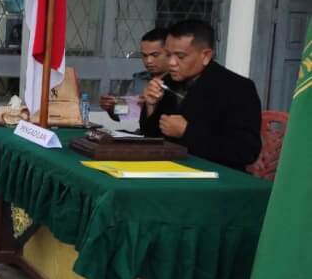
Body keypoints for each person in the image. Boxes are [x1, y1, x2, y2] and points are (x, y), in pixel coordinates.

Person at [140, 19, 262, 171]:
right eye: (168, 55)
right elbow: (152, 137)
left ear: (206, 55)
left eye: (180, 56)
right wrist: (151, 106)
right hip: (171, 169)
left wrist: (187, 132)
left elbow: (246, 151)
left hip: (217, 178)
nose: (171, 63)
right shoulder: (168, 82)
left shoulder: (237, 88)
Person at [100, 28, 170, 120]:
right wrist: (112, 107)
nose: (148, 61)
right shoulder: (139, 80)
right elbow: (131, 113)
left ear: (170, 53)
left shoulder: (179, 83)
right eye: (144, 56)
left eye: (155, 55)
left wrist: (152, 106)